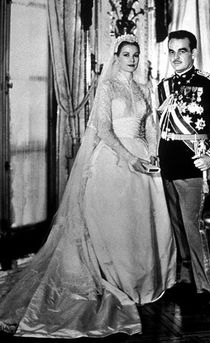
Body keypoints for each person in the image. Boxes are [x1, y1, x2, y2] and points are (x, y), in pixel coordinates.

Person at [0, 34, 176, 339]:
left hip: (141, 160)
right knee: (114, 221)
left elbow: (150, 126)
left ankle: (140, 281)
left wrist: (150, 153)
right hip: (113, 158)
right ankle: (112, 279)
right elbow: (104, 130)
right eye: (126, 55)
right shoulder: (107, 87)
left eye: (135, 55)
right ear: (117, 57)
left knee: (140, 222)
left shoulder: (144, 89)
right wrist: (128, 158)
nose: (132, 60)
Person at [156, 30, 210, 300]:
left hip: (193, 162)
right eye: (171, 51)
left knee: (192, 224)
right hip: (168, 162)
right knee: (176, 224)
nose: (176, 57)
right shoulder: (163, 86)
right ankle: (186, 279)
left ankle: (205, 286)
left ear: (193, 53)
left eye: (182, 51)